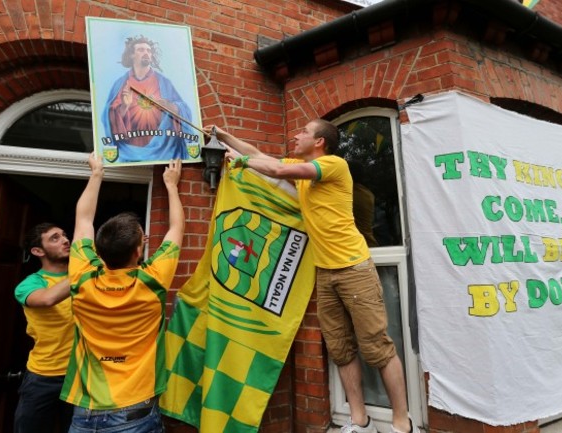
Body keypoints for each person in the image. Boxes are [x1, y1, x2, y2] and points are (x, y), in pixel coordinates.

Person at [206, 119, 419, 433]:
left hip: (354, 269)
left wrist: (240, 161)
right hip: (326, 273)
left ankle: (403, 423)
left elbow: (276, 171)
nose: (296, 134)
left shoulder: (333, 165)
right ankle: (361, 421)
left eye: (303, 132)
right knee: (340, 348)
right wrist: (224, 136)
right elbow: (260, 155)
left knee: (377, 346)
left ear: (320, 142)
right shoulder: (300, 166)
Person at [60, 153, 184, 432]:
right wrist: (172, 186)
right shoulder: (152, 282)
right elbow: (176, 229)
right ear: (140, 250)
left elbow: (83, 220)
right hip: (134, 413)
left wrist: (96, 174)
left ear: (98, 251)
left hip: (85, 412)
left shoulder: (81, 278)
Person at [13, 223, 74, 433]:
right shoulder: (30, 284)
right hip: (43, 376)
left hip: (79, 376)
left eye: (65, 235)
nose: (66, 240)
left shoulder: (85, 278)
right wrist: (85, 270)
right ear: (38, 251)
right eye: (55, 238)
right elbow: (48, 299)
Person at [102, 34, 193, 163]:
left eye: (149, 51)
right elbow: (110, 115)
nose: (146, 53)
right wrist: (124, 106)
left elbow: (183, 108)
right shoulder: (121, 83)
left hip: (162, 149)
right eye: (141, 50)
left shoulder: (164, 82)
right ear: (132, 55)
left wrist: (171, 107)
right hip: (129, 150)